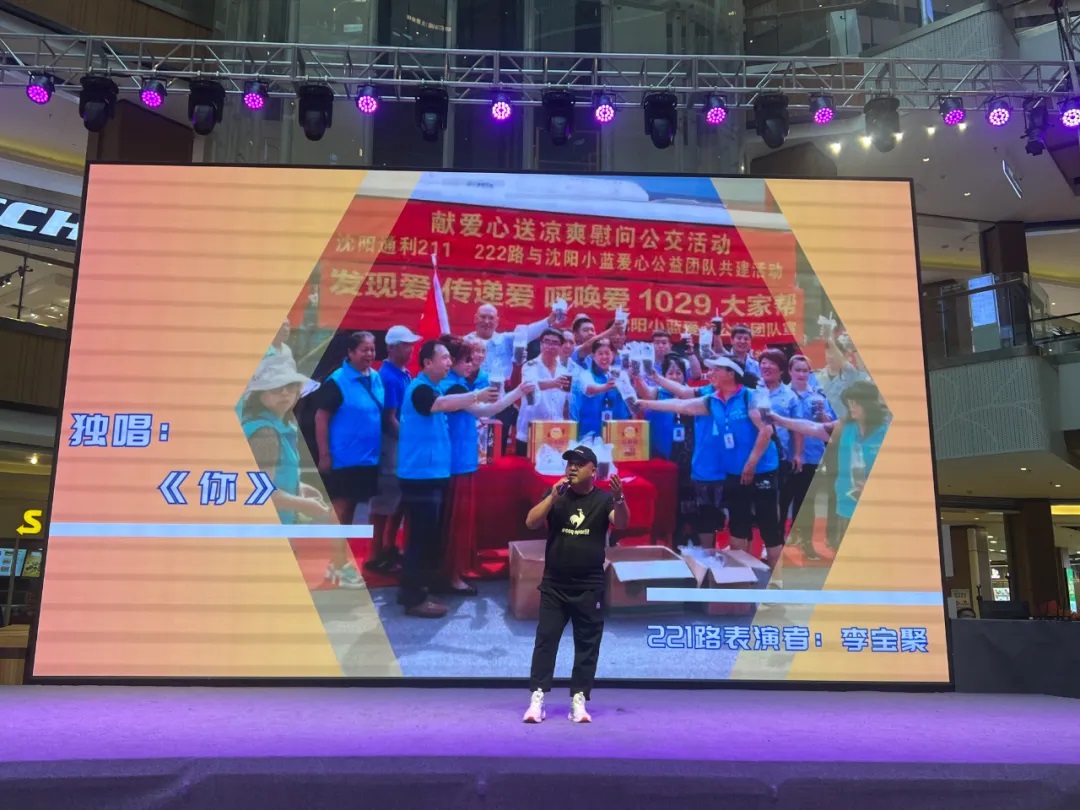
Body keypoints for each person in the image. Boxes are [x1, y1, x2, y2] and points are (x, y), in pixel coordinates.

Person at [639, 356, 783, 569]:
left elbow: (766, 431)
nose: (710, 374)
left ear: (731, 373)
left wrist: (751, 464)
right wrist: (646, 403)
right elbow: (682, 405)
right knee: (738, 526)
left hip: (762, 471)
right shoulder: (712, 400)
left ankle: (777, 580)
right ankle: (741, 577)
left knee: (769, 527)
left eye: (716, 370)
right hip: (735, 473)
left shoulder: (752, 397)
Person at [522, 445, 629, 724]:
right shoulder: (556, 495)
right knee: (545, 641)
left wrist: (619, 499)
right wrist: (551, 498)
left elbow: (622, 523)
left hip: (589, 585)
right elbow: (531, 522)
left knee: (587, 645)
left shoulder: (603, 500)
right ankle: (537, 698)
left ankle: (579, 699)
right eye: (569, 463)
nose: (572, 467)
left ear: (593, 471)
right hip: (554, 585)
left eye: (579, 464)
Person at [397, 340, 499, 618]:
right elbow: (440, 404)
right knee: (419, 539)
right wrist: (477, 395)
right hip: (420, 474)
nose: (448, 362)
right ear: (427, 362)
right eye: (443, 358)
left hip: (431, 472)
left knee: (425, 537)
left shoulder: (431, 388)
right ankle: (414, 599)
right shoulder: (420, 389)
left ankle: (412, 591)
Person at [439, 335, 534, 593]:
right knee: (456, 523)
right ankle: (451, 575)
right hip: (456, 461)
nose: (471, 365)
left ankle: (455, 570)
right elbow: (485, 410)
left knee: (458, 522)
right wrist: (518, 392)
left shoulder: (458, 383)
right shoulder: (453, 386)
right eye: (466, 360)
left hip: (462, 457)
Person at [770, 380, 888, 543]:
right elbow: (813, 428)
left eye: (856, 403)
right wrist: (779, 420)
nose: (852, 407)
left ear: (869, 405)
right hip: (845, 507)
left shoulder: (885, 433)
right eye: (850, 403)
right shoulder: (844, 427)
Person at [314, 331, 384, 589]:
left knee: (352, 509)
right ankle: (335, 565)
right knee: (340, 509)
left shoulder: (375, 377)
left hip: (367, 459)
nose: (369, 354)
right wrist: (324, 454)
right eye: (364, 350)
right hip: (343, 458)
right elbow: (321, 418)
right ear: (350, 352)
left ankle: (342, 563)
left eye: (372, 349)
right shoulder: (337, 380)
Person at [241, 355, 331, 525]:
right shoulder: (265, 433)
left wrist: (301, 489)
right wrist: (304, 504)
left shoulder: (281, 427)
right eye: (275, 387)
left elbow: (276, 480)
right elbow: (262, 492)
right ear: (261, 394)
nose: (284, 392)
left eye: (290, 386)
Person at [367, 325, 421, 575]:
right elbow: (389, 419)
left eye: (411, 344)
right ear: (392, 348)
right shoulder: (388, 376)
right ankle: (375, 554)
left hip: (402, 444)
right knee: (383, 502)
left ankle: (389, 547)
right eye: (406, 345)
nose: (410, 349)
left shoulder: (403, 373)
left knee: (398, 501)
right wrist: (410, 441)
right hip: (392, 446)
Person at [784, 354, 834, 560]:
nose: (802, 374)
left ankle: (806, 543)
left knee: (806, 502)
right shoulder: (782, 394)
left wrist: (822, 415)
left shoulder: (818, 396)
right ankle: (777, 544)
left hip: (812, 455)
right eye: (798, 370)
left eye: (805, 371)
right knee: (782, 501)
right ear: (790, 371)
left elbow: (830, 424)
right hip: (786, 457)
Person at [758, 349, 802, 553]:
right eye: (763, 362)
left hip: (779, 457)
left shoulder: (790, 396)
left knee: (778, 501)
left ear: (782, 369)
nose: (766, 366)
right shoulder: (752, 390)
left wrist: (798, 454)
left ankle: (774, 542)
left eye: (771, 363)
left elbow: (797, 427)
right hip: (753, 455)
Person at [515, 328, 572, 456]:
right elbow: (530, 386)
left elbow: (566, 404)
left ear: (561, 347)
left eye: (555, 343)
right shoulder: (530, 365)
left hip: (555, 434)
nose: (550, 346)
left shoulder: (564, 371)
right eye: (546, 342)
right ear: (541, 344)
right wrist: (553, 383)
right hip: (530, 433)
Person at [467, 302, 558, 378]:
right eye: (483, 317)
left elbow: (528, 332)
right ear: (475, 319)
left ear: (497, 321)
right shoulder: (465, 342)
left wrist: (549, 320)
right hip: (472, 391)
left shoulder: (506, 340)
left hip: (503, 391)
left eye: (491, 318)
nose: (486, 321)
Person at [569, 337, 631, 439]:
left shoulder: (622, 375)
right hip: (590, 434)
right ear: (593, 356)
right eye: (600, 353)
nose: (604, 357)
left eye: (607, 353)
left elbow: (631, 402)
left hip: (618, 434)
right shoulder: (585, 374)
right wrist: (606, 387)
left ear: (613, 355)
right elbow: (589, 389)